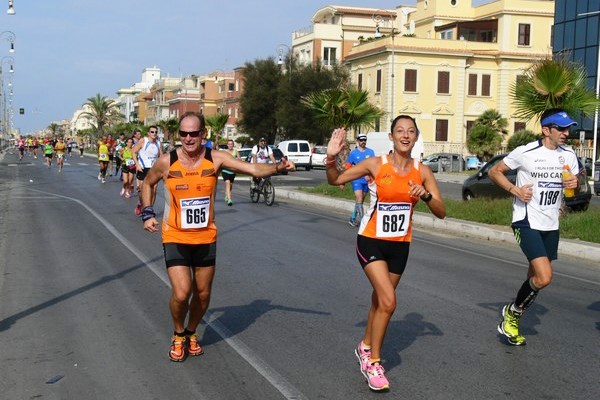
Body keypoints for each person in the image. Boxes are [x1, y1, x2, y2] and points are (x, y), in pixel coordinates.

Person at [140, 112, 294, 362]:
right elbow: (147, 183)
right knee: (182, 293)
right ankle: (178, 334)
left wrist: (278, 167)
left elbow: (252, 168)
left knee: (202, 294)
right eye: (183, 134)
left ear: (203, 134)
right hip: (175, 235)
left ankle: (191, 332)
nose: (188, 138)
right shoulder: (166, 162)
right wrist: (147, 213)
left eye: (193, 133)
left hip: (206, 237)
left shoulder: (216, 158)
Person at [324, 115, 446, 391]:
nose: (405, 136)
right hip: (371, 241)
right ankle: (373, 362)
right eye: (400, 131)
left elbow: (441, 212)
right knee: (389, 302)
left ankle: (365, 346)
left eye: (411, 131)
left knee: (380, 302)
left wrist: (425, 196)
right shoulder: (375, 164)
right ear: (391, 137)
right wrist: (331, 159)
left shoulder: (422, 171)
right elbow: (336, 180)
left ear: (416, 137)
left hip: (400, 245)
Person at [489, 108, 579, 346]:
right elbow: (494, 171)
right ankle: (513, 312)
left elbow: (573, 189)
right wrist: (514, 190)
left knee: (535, 277)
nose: (566, 133)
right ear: (546, 129)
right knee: (545, 276)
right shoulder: (526, 152)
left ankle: (512, 319)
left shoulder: (569, 155)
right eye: (561, 128)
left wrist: (575, 184)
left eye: (568, 128)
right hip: (526, 220)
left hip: (551, 223)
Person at [345, 133, 375, 227]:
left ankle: (353, 218)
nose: (363, 142)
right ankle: (363, 221)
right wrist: (344, 180)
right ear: (358, 141)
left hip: (367, 180)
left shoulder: (370, 152)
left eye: (364, 140)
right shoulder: (353, 153)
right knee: (359, 197)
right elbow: (348, 166)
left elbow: (374, 166)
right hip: (356, 179)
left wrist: (370, 175)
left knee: (360, 200)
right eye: (361, 140)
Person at [133, 126, 162, 215]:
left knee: (154, 189)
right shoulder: (143, 141)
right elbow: (134, 152)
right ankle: (140, 203)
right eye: (152, 132)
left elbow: (161, 156)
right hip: (143, 168)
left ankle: (150, 210)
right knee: (143, 191)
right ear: (148, 133)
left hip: (153, 169)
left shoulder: (158, 143)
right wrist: (137, 164)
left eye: (156, 132)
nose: (154, 134)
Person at [221, 139, 238, 206]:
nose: (230, 145)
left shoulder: (235, 152)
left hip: (233, 172)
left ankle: (227, 194)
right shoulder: (224, 152)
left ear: (233, 145)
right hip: (225, 171)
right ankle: (229, 200)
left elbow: (240, 160)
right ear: (227, 145)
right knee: (227, 183)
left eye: (231, 144)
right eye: (229, 144)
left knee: (230, 185)